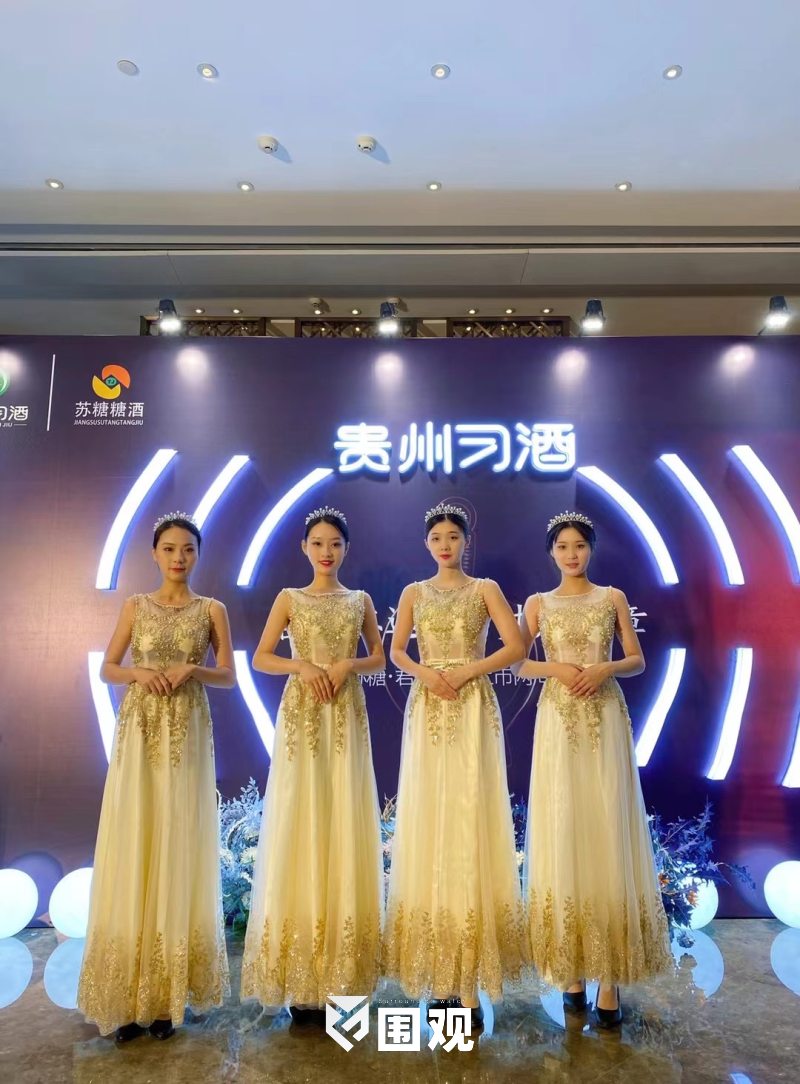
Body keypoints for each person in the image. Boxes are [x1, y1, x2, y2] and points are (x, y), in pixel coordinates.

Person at [77, 512, 235, 1041]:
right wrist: (138, 673)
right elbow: (109, 668)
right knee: (136, 841)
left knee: (176, 845)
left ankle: (167, 998)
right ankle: (124, 997)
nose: (178, 557)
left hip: (187, 732)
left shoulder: (212, 609)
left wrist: (194, 669)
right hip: (140, 731)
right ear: (154, 553)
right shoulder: (134, 606)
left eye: (188, 549)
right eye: (169, 548)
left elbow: (228, 676)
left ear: (198, 554)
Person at [514, 511, 672, 1028]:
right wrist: (557, 668)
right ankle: (571, 972)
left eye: (579, 546)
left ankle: (610, 977)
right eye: (562, 547)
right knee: (565, 829)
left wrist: (606, 666)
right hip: (558, 719)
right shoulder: (538, 603)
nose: (571, 554)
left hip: (605, 716)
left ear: (591, 549)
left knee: (607, 829)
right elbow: (518, 661)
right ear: (551, 553)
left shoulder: (612, 598)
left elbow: (637, 659)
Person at [383, 502, 528, 1028]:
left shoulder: (485, 589)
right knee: (430, 820)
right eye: (437, 538)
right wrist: (426, 674)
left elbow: (516, 646)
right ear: (427, 544)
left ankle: (468, 983)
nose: (445, 545)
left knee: (469, 819)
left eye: (453, 536)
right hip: (428, 704)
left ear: (466, 541)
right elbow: (396, 651)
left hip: (470, 705)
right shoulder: (413, 593)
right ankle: (438, 977)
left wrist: (468, 671)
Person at [240, 507, 385, 1023]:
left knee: (343, 821)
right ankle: (302, 981)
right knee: (302, 823)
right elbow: (261, 657)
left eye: (335, 544)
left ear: (346, 549)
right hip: (302, 715)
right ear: (304, 547)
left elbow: (380, 657)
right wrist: (300, 664)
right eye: (318, 543)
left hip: (345, 713)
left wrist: (348, 663)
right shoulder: (288, 598)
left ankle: (343, 977)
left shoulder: (360, 600)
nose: (327, 552)